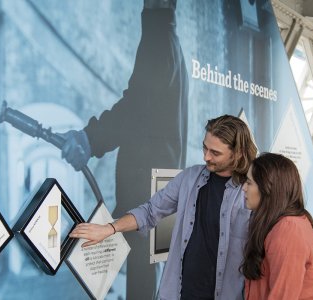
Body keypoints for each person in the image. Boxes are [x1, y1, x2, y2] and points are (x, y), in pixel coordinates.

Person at [59, 0, 188, 298]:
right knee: (142, 269)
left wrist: (90, 138)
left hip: (146, 182)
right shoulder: (171, 41)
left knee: (132, 266)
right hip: (162, 178)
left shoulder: (158, 38)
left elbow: (135, 108)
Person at [70, 114, 258, 300]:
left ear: (238, 153)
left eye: (215, 153)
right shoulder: (189, 178)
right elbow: (150, 211)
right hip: (180, 294)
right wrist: (110, 229)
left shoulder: (252, 191)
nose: (206, 156)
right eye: (204, 148)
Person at [241, 152, 313, 299]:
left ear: (268, 188)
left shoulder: (288, 230)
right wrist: (309, 285)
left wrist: (307, 291)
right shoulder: (293, 220)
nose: (244, 188)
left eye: (249, 183)